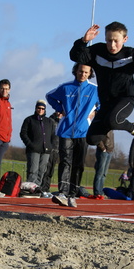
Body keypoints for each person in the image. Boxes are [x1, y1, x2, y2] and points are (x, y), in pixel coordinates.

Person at [69, 21, 134, 147]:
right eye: (109, 40)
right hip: (106, 102)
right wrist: (83, 41)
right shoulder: (97, 51)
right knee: (92, 139)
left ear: (125, 39)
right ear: (105, 38)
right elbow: (75, 56)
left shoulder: (131, 55)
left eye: (116, 41)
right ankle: (112, 122)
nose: (112, 45)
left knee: (113, 120)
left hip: (125, 99)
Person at [46, 63, 100, 208]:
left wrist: (95, 113)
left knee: (79, 164)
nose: (83, 74)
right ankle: (62, 193)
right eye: (80, 71)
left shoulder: (95, 89)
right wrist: (59, 108)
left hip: (83, 132)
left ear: (90, 74)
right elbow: (49, 96)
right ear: (75, 71)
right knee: (65, 161)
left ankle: (72, 195)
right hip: (65, 130)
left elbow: (103, 105)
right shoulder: (65, 87)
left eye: (86, 72)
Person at [19, 100, 57, 192]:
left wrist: (51, 146)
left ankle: (37, 188)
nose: (40, 110)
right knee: (33, 170)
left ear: (45, 109)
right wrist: (30, 144)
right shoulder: (29, 120)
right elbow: (23, 133)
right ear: (36, 108)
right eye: (39, 108)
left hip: (46, 151)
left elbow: (53, 136)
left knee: (42, 171)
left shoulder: (49, 122)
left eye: (42, 108)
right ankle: (30, 188)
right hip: (33, 150)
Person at [40, 112, 61, 197]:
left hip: (57, 149)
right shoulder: (50, 120)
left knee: (51, 171)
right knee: (46, 170)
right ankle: (42, 188)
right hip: (49, 148)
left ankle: (47, 188)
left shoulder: (62, 121)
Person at [92, 131, 114, 199]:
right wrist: (103, 148)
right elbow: (98, 138)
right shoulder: (103, 126)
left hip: (110, 151)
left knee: (104, 174)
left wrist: (112, 149)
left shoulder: (112, 128)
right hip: (103, 151)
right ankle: (97, 192)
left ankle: (100, 191)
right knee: (100, 172)